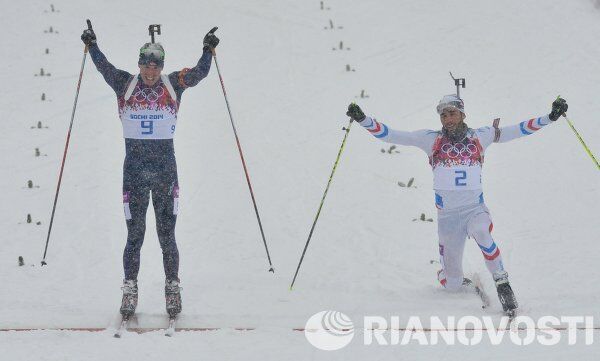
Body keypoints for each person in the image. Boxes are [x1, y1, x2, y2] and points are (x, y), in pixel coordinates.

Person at [346, 95, 568, 315]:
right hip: (448, 218)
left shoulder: (481, 136)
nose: (448, 118)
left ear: (462, 114)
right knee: (452, 285)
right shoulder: (430, 139)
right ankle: (453, 277)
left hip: (474, 210)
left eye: (452, 113)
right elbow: (390, 135)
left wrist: (550, 117)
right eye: (443, 115)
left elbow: (517, 130)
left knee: (482, 232)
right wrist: (363, 119)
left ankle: (502, 283)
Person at [80, 26, 220, 318]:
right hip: (134, 171)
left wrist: (207, 49)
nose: (150, 72)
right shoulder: (125, 84)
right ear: (139, 64)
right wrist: (92, 44)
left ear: (162, 67)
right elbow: (103, 66)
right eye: (146, 65)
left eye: (155, 66)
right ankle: (130, 288)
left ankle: (172, 287)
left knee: (167, 233)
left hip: (165, 171)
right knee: (135, 234)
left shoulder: (173, 84)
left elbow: (199, 74)